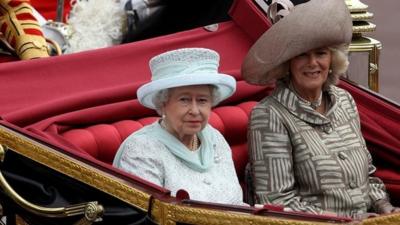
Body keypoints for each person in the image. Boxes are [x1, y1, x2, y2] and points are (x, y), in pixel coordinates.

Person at [242, 0, 400, 220]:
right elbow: (276, 201)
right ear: (286, 63)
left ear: (333, 59)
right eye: (302, 54)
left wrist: (384, 206)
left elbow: (368, 175)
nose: (313, 63)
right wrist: (342, 221)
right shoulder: (269, 115)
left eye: (321, 53)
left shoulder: (345, 101)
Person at [113, 48, 244, 205]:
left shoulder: (215, 138)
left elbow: (238, 205)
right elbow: (147, 217)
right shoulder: (141, 149)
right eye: (184, 100)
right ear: (163, 103)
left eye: (202, 100)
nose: (195, 111)